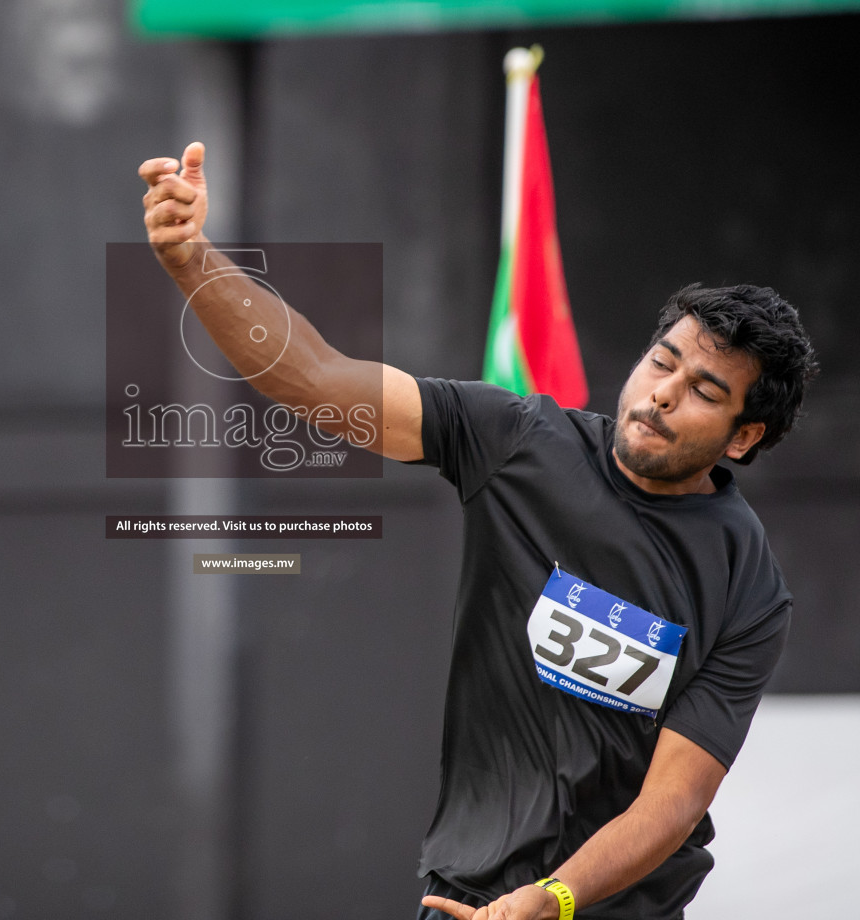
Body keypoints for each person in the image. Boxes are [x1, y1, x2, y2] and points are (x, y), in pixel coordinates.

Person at [139, 143, 818, 920]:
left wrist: (554, 898)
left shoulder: (749, 581)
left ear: (743, 438)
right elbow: (319, 380)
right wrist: (194, 262)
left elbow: (673, 800)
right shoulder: (519, 439)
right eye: (661, 362)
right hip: (466, 901)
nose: (661, 394)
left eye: (702, 389)